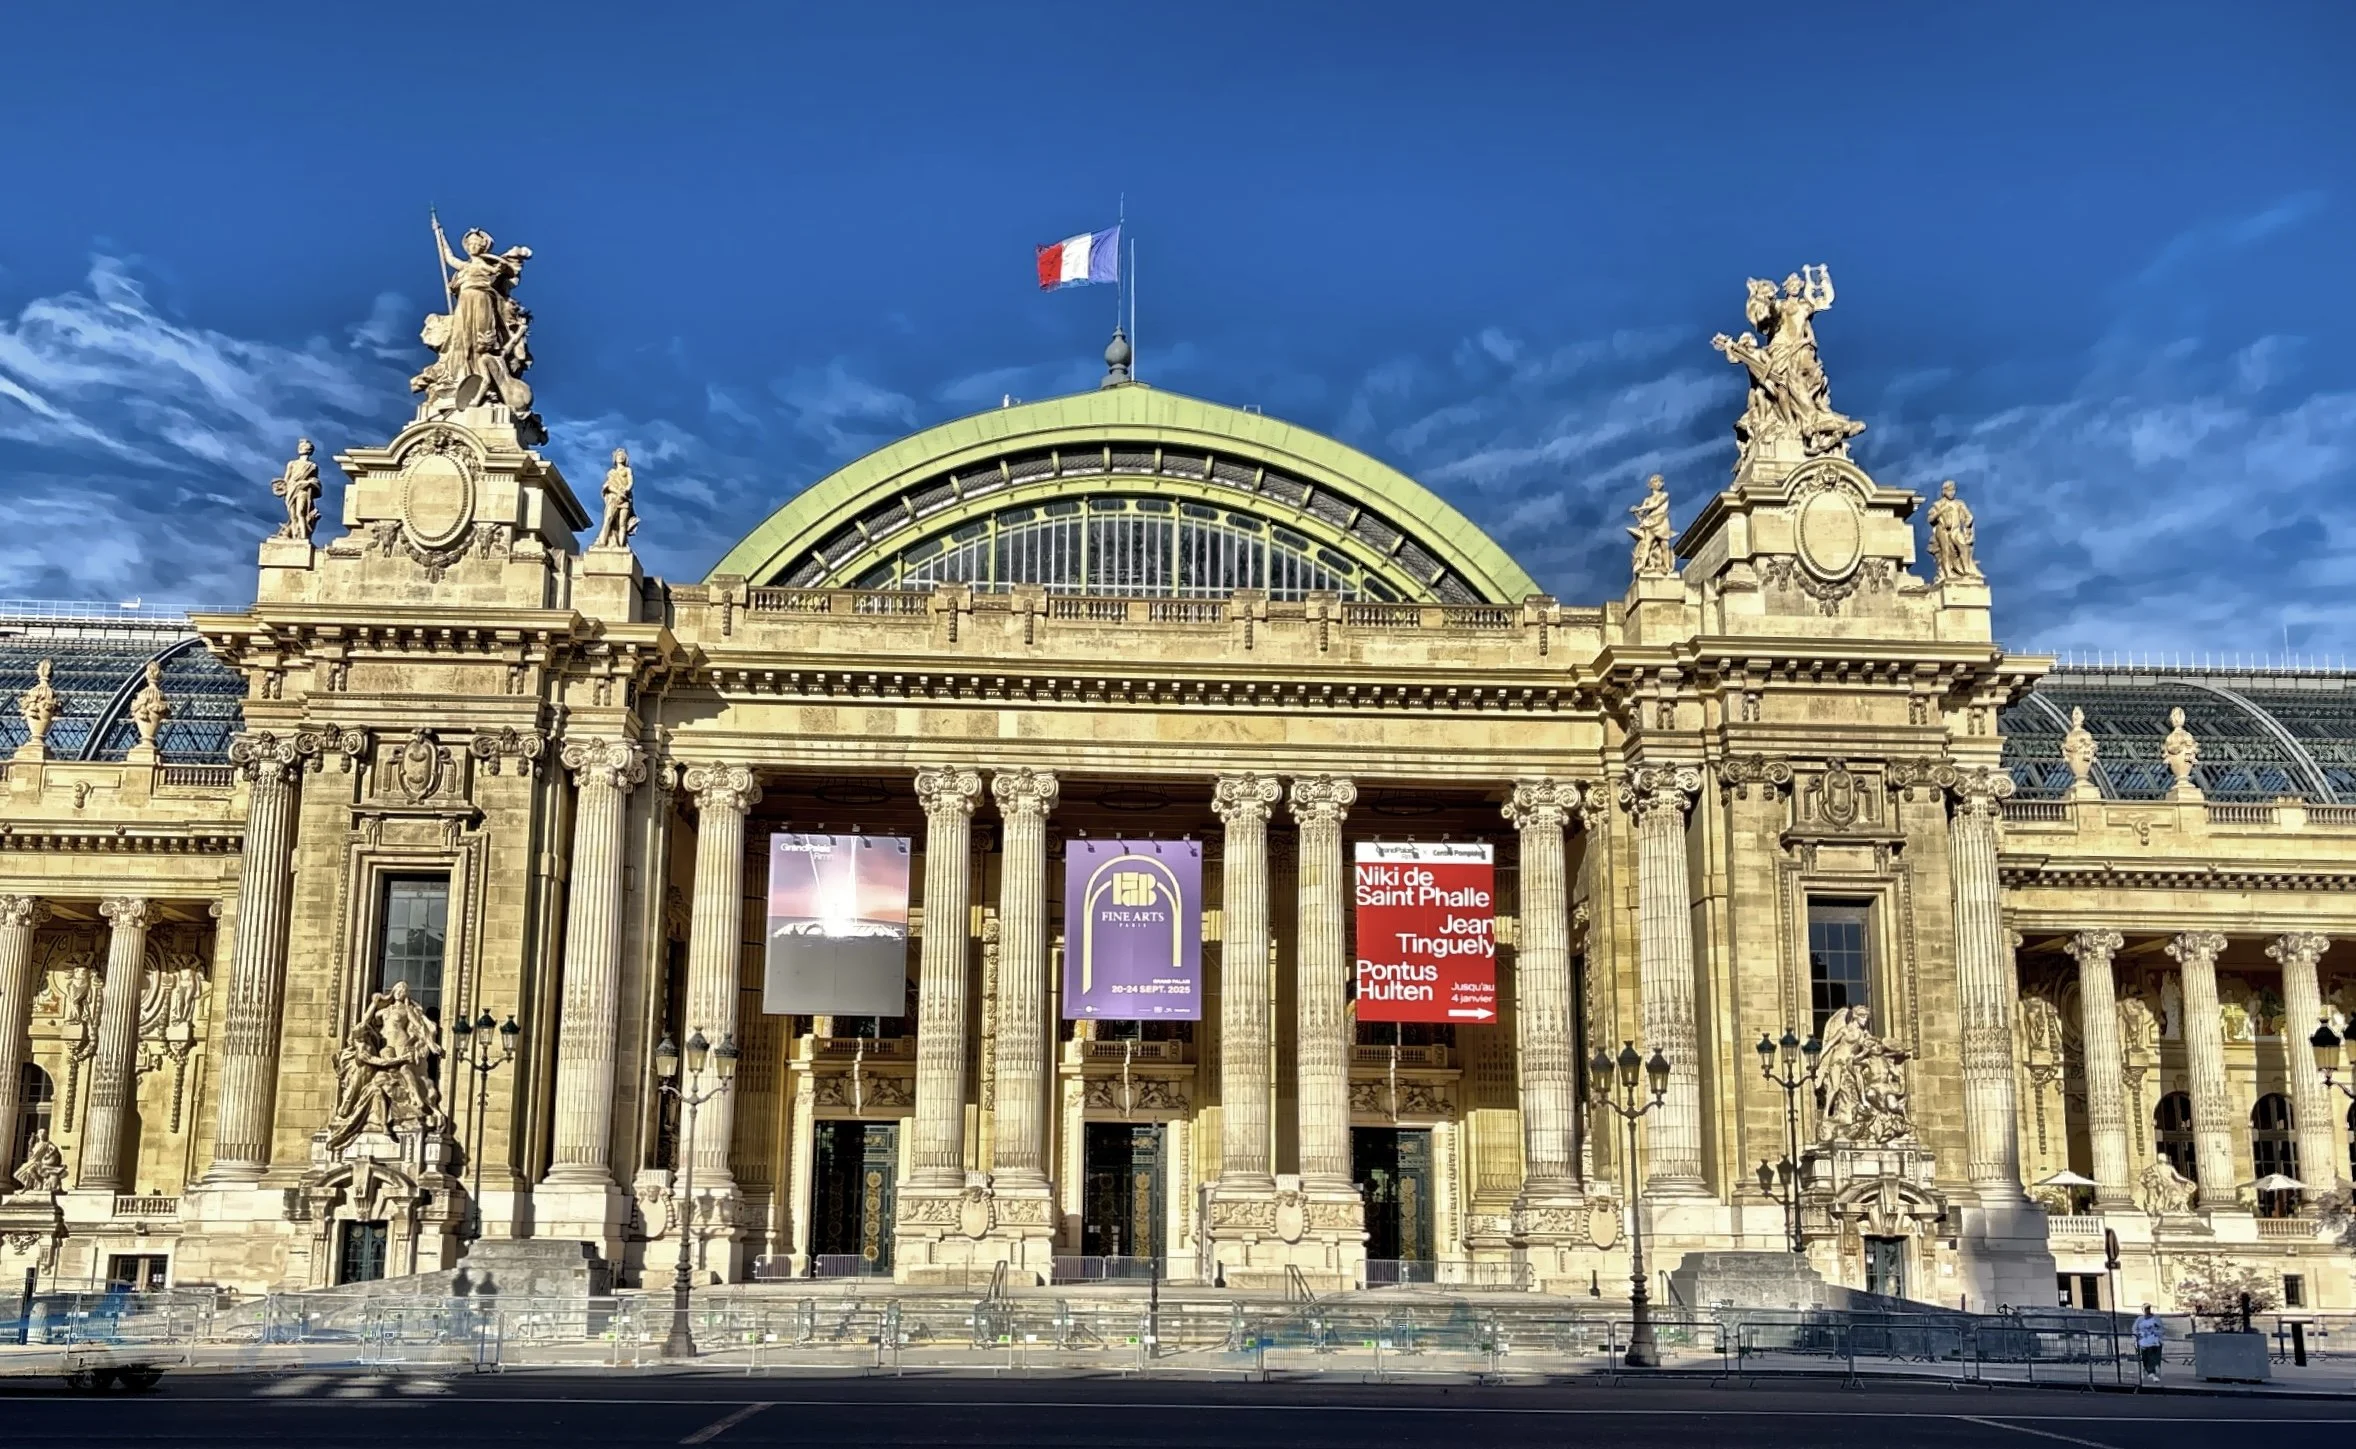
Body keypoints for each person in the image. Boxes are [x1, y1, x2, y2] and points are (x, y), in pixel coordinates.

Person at [2132, 1304, 2167, 1382]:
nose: (2147, 1311)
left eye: (2148, 1309)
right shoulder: (2140, 1319)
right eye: (2145, 1309)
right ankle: (2148, 1369)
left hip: (2153, 1340)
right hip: (2143, 1340)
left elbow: (2161, 1329)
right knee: (2145, 1355)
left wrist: (2156, 1333)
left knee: (2152, 1355)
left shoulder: (2156, 1319)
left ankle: (2152, 1371)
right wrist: (2137, 1336)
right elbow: (2135, 1329)